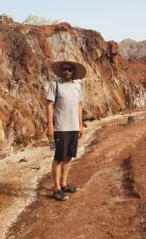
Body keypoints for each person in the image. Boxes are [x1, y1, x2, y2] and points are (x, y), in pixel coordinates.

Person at [46, 59, 86, 201]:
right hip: (60, 128)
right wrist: (50, 125)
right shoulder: (55, 84)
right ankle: (56, 188)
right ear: (61, 71)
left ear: (73, 71)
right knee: (58, 157)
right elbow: (50, 105)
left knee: (69, 156)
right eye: (64, 69)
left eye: (69, 69)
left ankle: (63, 184)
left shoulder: (77, 86)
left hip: (74, 127)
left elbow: (79, 105)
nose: (67, 72)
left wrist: (80, 125)